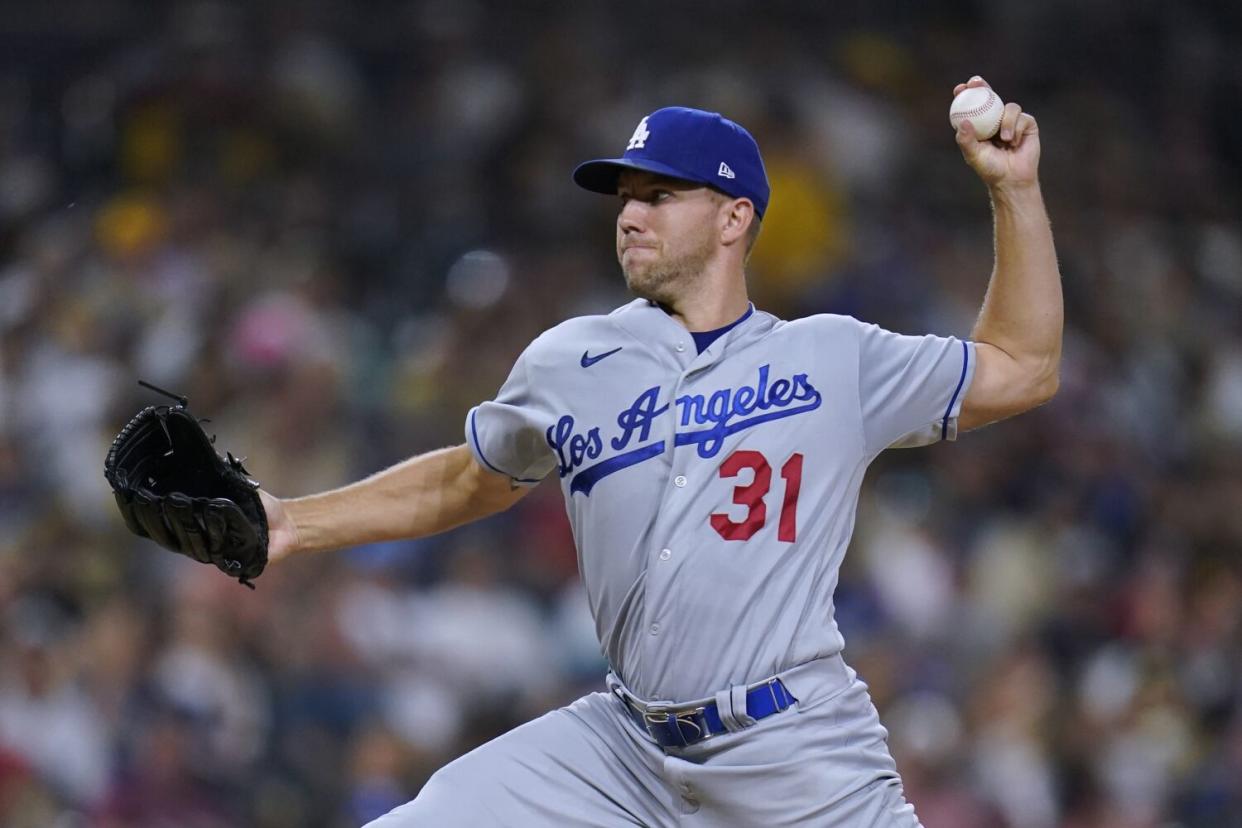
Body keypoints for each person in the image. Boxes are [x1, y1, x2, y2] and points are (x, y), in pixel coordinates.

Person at [260, 75, 1061, 826]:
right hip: (622, 747)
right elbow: (467, 483)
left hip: (792, 748)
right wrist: (294, 521)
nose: (629, 215)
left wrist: (1013, 190)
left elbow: (1021, 368)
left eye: (659, 194)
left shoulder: (832, 358)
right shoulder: (568, 361)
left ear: (733, 217)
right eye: (626, 197)